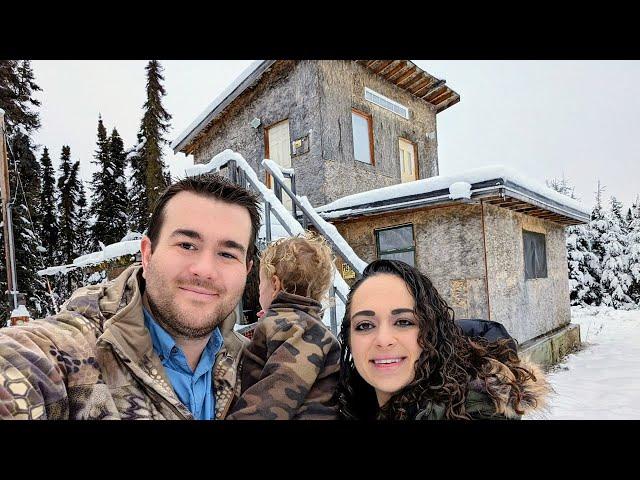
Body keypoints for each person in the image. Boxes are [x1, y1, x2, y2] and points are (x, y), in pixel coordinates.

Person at [0, 173, 260, 419]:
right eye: (186, 245)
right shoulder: (73, 350)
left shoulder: (254, 367)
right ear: (147, 254)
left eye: (227, 254)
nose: (205, 270)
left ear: (247, 271)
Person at [335, 259, 550, 420]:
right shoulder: (342, 405)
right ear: (349, 339)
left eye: (404, 322)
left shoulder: (475, 412)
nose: (383, 340)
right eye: (364, 325)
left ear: (433, 331)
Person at [228, 232, 341, 419]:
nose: (258, 292)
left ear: (274, 285)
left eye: (260, 284)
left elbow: (276, 396)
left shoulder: (303, 331)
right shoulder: (294, 324)